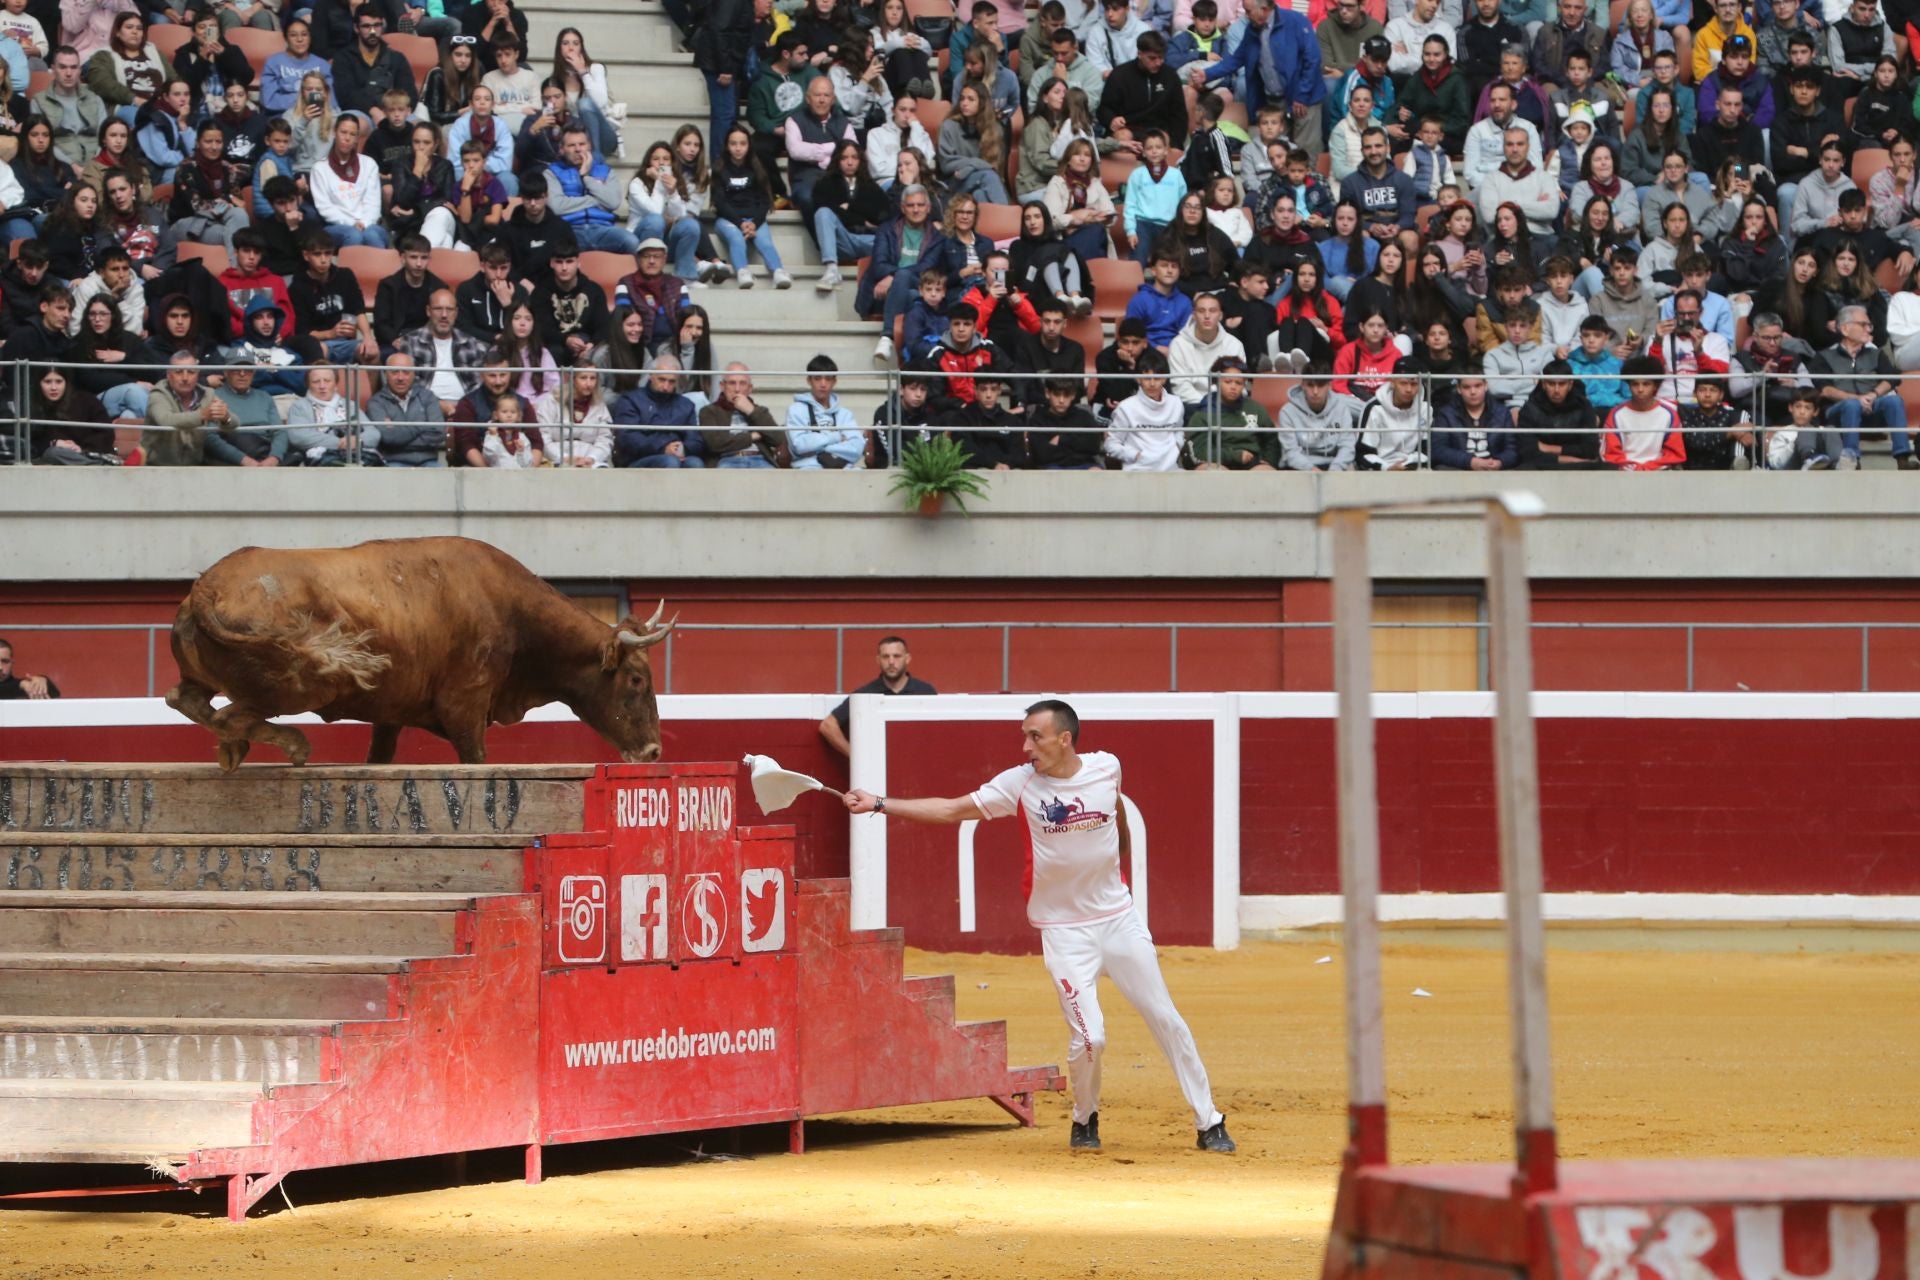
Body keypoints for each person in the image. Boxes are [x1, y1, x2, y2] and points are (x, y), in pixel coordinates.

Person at [842, 699, 1235, 1152]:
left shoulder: (1108, 767)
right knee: (1092, 1037)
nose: (1026, 746)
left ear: (1064, 739)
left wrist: (1117, 866)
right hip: (1065, 932)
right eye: (1025, 736)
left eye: (1036, 736)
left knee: (1165, 1018)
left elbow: (1116, 815)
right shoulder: (1019, 785)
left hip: (1118, 921)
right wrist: (879, 804)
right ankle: (1085, 1117)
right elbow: (952, 810)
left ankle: (1210, 1121)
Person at [1813, 303, 1914, 468]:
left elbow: (1893, 378)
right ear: (1845, 329)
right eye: (1863, 325)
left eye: (1869, 325)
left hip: (1871, 405)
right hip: (1837, 410)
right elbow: (1824, 389)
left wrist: (1873, 395)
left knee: (1894, 401)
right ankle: (1853, 459)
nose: (1869, 329)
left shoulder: (1875, 354)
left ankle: (1902, 458)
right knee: (1852, 405)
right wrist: (1856, 399)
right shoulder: (1824, 356)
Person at [610, 353, 705, 467]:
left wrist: (683, 448)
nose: (666, 386)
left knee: (696, 463)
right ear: (651, 375)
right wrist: (662, 447)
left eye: (671, 381)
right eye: (662, 379)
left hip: (675, 455)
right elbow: (628, 438)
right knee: (670, 462)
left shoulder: (686, 405)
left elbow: (696, 439)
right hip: (638, 459)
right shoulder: (630, 400)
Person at [1103, 347, 1185, 468]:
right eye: (1147, 378)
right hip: (1137, 472)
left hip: (1171, 471)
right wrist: (1134, 455)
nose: (1152, 383)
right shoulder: (1126, 407)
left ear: (1164, 379)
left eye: (1157, 378)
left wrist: (1177, 445)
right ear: (1138, 379)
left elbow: (1178, 432)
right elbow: (1111, 443)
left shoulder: (1176, 403)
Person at [1601, 352, 1684, 468]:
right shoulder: (1616, 414)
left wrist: (1650, 467)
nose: (1640, 389)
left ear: (1655, 386)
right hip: (1623, 475)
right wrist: (1634, 468)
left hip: (1660, 474)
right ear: (1629, 385)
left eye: (1646, 384)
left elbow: (1674, 453)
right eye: (1635, 384)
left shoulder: (1669, 414)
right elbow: (1610, 453)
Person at [331, 9, 417, 121]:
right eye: (366, 26)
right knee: (357, 124)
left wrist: (392, 112)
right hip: (360, 113)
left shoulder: (397, 58)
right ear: (356, 28)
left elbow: (410, 94)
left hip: (395, 113)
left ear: (383, 26)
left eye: (377, 25)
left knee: (418, 126)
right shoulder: (343, 58)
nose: (372, 31)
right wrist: (372, 110)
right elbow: (345, 95)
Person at [365, 351, 448, 466]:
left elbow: (438, 433)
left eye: (406, 372)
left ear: (414, 374)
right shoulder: (376, 402)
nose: (400, 377)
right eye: (395, 372)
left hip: (428, 461)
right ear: (385, 374)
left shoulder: (428, 397)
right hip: (393, 462)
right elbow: (388, 438)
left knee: (443, 478)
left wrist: (399, 434)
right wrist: (421, 425)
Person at [1515, 358, 1602, 466]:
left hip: (1578, 468)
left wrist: (1548, 448)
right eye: (1551, 384)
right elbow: (1527, 452)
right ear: (1543, 384)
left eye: (1562, 384)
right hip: (1542, 467)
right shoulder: (1530, 408)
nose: (1556, 390)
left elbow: (1590, 449)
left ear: (1570, 385)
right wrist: (1575, 460)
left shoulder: (1583, 406)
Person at [784, 353, 866, 467]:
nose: (823, 384)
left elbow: (857, 448)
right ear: (809, 380)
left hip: (841, 469)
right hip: (808, 469)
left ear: (834, 382)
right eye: (817, 379)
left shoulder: (845, 414)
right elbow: (799, 446)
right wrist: (836, 438)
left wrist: (816, 447)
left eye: (828, 379)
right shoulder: (796, 410)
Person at [1431, 370, 1520, 467]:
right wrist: (1470, 462)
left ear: (1486, 386)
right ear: (1459, 389)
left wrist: (1499, 462)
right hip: (1458, 470)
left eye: (1478, 386)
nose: (1473, 392)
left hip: (1495, 470)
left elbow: (1513, 450)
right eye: (1466, 387)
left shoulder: (1502, 412)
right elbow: (1438, 450)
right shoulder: (1446, 413)